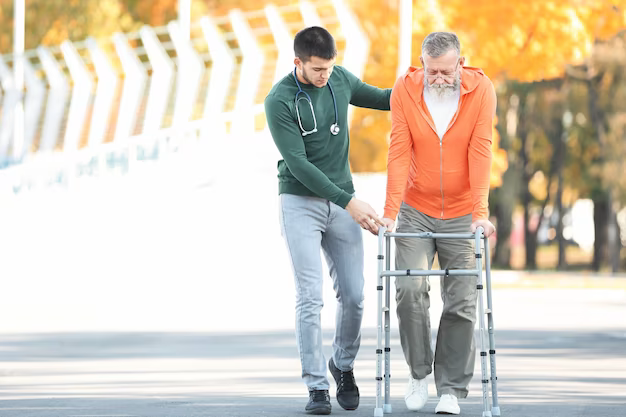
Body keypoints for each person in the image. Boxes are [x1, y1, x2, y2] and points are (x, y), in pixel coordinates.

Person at [264, 26, 391, 415]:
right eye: (318, 70)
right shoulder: (279, 100)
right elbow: (299, 164)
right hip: (300, 201)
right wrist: (348, 201)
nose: (325, 76)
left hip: (342, 201)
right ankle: (317, 386)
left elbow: (386, 99)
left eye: (329, 68)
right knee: (310, 297)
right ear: (297, 63)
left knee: (354, 296)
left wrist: (426, 78)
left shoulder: (339, 79)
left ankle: (343, 365)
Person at [381, 32, 497, 415]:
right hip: (416, 207)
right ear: (422, 64)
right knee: (410, 289)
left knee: (462, 299)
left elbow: (481, 151)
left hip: (463, 211)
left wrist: (481, 212)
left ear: (460, 64)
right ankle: (418, 375)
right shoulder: (405, 89)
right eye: (432, 71)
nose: (439, 79)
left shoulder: (481, 91)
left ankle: (451, 389)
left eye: (447, 71)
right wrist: (389, 211)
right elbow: (398, 150)